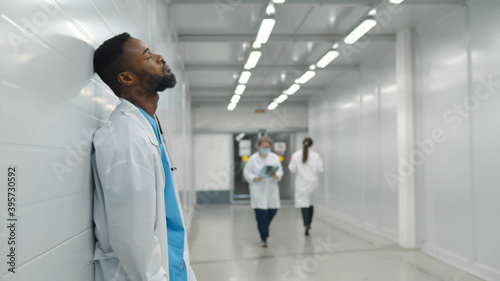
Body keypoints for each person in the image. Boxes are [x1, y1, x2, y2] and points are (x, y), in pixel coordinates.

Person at [92, 33, 197, 281]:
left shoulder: (146, 128)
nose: (160, 58)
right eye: (148, 55)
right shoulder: (126, 139)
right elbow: (132, 238)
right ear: (126, 78)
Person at [243, 136, 283, 247]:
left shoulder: (274, 157)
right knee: (261, 216)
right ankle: (263, 238)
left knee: (272, 211)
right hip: (258, 189)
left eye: (268, 147)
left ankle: (264, 228)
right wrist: (254, 177)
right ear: (258, 146)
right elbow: (246, 172)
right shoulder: (252, 159)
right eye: (263, 146)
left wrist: (276, 175)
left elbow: (280, 170)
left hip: (271, 189)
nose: (265, 148)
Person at [289, 137, 324, 236]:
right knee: (311, 203)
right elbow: (320, 170)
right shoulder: (316, 156)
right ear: (312, 145)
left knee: (304, 203)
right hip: (313, 182)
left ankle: (306, 224)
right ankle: (309, 223)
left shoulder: (296, 155)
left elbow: (292, 170)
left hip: (301, 182)